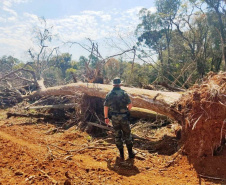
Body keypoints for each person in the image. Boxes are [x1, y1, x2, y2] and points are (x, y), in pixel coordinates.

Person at [104, 78, 135, 159]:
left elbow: (106, 107)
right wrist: (126, 111)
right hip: (124, 117)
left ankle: (121, 155)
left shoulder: (109, 94)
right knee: (127, 134)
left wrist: (106, 117)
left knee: (118, 135)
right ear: (120, 84)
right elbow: (130, 105)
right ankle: (130, 153)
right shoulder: (124, 93)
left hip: (114, 118)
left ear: (113, 84)